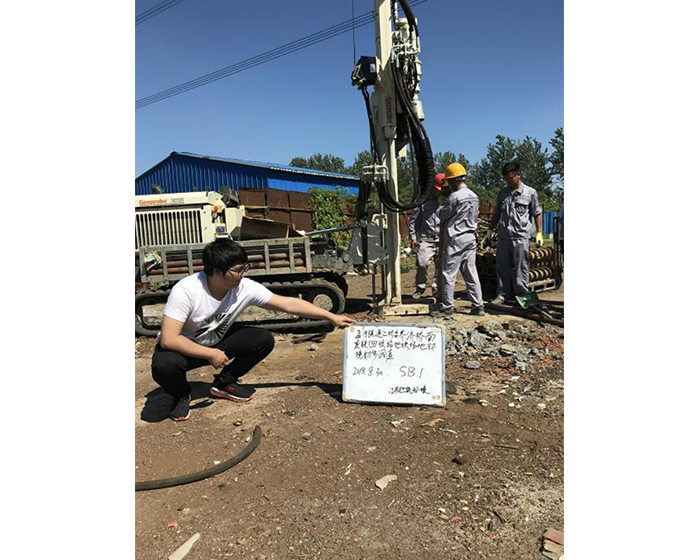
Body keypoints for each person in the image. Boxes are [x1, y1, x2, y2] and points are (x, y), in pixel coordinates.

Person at [151, 237, 355, 421]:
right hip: (184, 349)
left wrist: (330, 316)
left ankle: (224, 383)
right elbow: (169, 339)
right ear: (217, 271)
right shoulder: (187, 290)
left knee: (262, 339)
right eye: (238, 270)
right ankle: (181, 394)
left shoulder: (244, 288)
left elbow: (287, 303)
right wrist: (210, 354)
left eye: (245, 268)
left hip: (216, 342)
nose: (243, 274)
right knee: (163, 366)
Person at [483, 161, 543, 304]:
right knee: (502, 267)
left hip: (521, 237)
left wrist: (539, 232)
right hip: (504, 237)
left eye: (511, 178)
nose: (508, 181)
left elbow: (537, 213)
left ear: (518, 175)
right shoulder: (502, 194)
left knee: (521, 268)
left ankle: (522, 295)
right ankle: (502, 295)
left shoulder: (530, 193)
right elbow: (497, 213)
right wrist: (489, 231)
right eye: (506, 179)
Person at [430, 163, 484, 318]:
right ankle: (478, 305)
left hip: (456, 239)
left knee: (448, 274)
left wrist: (442, 200)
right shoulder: (474, 196)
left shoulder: (455, 197)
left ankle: (447, 307)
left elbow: (442, 214)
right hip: (470, 238)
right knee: (471, 273)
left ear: (453, 180)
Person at [408, 173, 444, 299]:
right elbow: (413, 221)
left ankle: (436, 289)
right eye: (437, 190)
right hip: (426, 240)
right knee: (422, 263)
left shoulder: (445, 203)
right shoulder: (423, 203)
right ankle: (420, 287)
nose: (439, 193)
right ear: (432, 188)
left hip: (441, 240)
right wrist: (413, 237)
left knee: (441, 266)